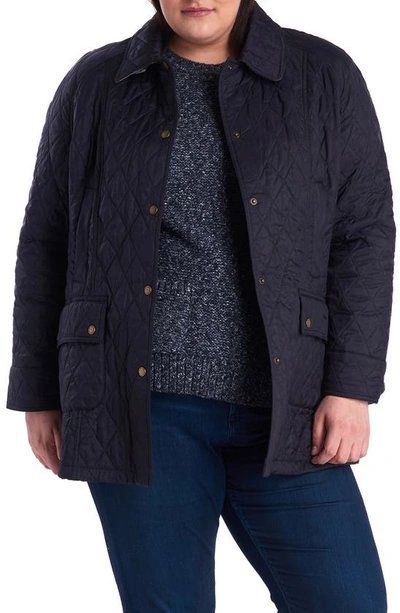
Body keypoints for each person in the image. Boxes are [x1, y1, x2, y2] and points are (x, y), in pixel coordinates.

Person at [5, 0, 395, 611]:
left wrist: (351, 386)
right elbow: (47, 240)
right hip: (140, 408)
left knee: (349, 600)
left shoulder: (324, 75)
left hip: (288, 406)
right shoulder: (96, 83)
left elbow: (363, 235)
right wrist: (38, 390)